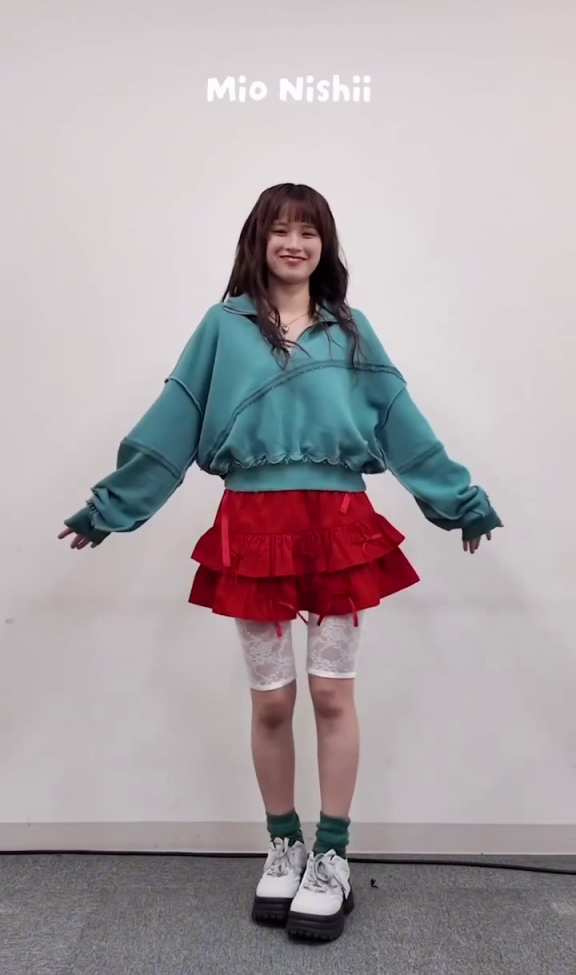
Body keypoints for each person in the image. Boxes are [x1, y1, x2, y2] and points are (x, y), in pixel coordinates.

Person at [59, 182, 501, 943]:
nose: (295, 244)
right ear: (258, 242)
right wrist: (112, 507)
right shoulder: (221, 326)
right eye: (281, 231)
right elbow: (175, 418)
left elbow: (401, 421)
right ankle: (284, 844)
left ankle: (332, 855)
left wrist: (458, 499)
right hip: (253, 526)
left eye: (309, 232)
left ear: (325, 246)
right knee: (271, 701)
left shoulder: (350, 330)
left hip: (337, 525)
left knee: (331, 694)